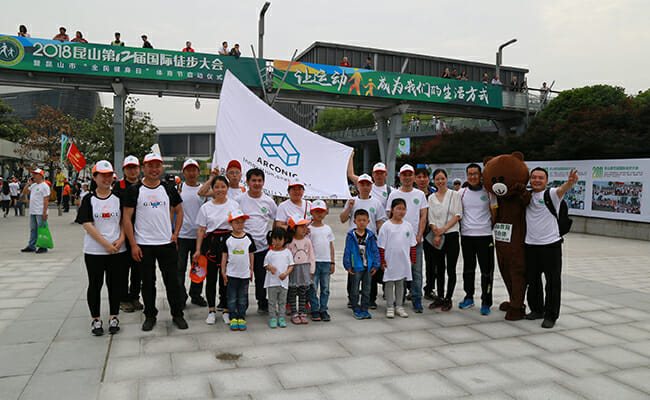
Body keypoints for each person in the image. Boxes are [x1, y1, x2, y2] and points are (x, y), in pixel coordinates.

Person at [121, 153, 188, 331]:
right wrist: (133, 244)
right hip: (144, 245)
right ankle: (150, 315)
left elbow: (180, 211)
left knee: (172, 282)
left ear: (161, 168)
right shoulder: (134, 190)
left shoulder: (169, 189)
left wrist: (176, 233)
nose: (154, 169)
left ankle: (177, 314)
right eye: (150, 166)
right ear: (144, 168)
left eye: (157, 166)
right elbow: (126, 219)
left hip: (166, 244)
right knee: (147, 283)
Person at [75, 161, 126, 336]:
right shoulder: (88, 199)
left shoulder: (119, 198)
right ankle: (96, 319)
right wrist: (106, 245)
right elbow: (87, 224)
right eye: (102, 175)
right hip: (95, 251)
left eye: (109, 175)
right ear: (95, 177)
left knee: (115, 284)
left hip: (117, 250)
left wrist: (120, 240)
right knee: (95, 284)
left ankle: (114, 316)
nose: (106, 178)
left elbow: (125, 222)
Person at [525, 168, 578, 329]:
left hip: (551, 245)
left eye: (541, 178)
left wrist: (570, 183)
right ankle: (536, 309)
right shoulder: (526, 196)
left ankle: (551, 315)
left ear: (546, 181)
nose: (537, 180)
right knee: (532, 281)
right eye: (534, 177)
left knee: (552, 282)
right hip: (530, 245)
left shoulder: (552, 195)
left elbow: (563, 190)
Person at [193, 175, 239, 324]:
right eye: (217, 187)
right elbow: (201, 230)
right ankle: (211, 310)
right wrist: (198, 250)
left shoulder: (234, 205)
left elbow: (238, 226)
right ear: (212, 189)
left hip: (228, 243)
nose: (220, 190)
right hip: (210, 244)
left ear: (227, 188)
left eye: (223, 187)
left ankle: (226, 309)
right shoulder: (206, 207)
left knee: (226, 277)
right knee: (211, 278)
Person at [340, 173, 387, 309]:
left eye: (368, 184)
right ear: (357, 186)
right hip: (355, 242)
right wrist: (348, 207)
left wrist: (381, 240)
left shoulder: (376, 203)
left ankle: (371, 299)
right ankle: (352, 297)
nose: (365, 187)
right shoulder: (352, 201)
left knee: (370, 270)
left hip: (370, 241)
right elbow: (342, 219)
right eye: (362, 184)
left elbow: (379, 222)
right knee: (354, 270)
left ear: (371, 186)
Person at [386, 164, 428, 312]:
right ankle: (399, 299)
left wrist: (419, 235)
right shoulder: (394, 194)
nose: (407, 177)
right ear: (400, 176)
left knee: (416, 271)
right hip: (397, 242)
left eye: (410, 174)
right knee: (399, 270)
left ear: (414, 176)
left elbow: (423, 216)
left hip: (415, 241)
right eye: (404, 174)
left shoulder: (420, 195)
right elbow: (389, 216)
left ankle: (417, 298)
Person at [236, 168, 277, 313]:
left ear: (263, 182)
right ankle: (242, 304)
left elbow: (276, 219)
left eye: (259, 180)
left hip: (262, 246)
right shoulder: (239, 200)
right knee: (242, 277)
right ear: (247, 182)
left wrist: (274, 238)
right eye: (253, 180)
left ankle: (262, 301)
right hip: (243, 247)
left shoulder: (268, 201)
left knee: (261, 277)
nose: (257, 183)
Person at [459, 163, 498, 315]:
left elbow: (494, 214)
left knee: (486, 272)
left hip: (485, 237)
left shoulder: (489, 193)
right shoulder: (461, 193)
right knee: (468, 270)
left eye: (475, 173)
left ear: (480, 175)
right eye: (470, 174)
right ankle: (469, 297)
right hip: (467, 237)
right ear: (466, 176)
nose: (473, 176)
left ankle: (486, 301)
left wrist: (487, 227)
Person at [427, 169, 462, 312]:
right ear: (433, 181)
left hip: (452, 235)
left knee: (451, 269)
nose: (440, 182)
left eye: (442, 178)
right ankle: (440, 297)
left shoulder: (454, 194)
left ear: (446, 179)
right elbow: (431, 219)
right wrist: (436, 232)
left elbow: (458, 215)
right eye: (437, 179)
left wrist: (444, 229)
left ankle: (449, 298)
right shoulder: (431, 198)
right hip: (437, 236)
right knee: (439, 268)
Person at [112, 155, 144, 313]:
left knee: (138, 268)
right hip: (123, 233)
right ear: (124, 170)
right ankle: (123, 299)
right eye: (129, 168)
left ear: (139, 169)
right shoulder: (119, 186)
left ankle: (134, 297)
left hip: (141, 233)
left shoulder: (143, 185)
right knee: (123, 269)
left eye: (135, 167)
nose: (132, 170)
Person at [176, 159, 208, 308]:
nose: (191, 173)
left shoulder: (204, 190)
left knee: (198, 267)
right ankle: (180, 296)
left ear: (198, 172)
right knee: (179, 267)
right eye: (188, 170)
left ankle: (196, 295)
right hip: (182, 235)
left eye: (194, 170)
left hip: (199, 236)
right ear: (183, 172)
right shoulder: (178, 188)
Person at [378, 198, 417, 318]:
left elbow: (412, 244)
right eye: (398, 208)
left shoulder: (408, 226)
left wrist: (412, 259)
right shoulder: (386, 226)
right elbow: (381, 246)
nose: (401, 211)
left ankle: (399, 305)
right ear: (392, 210)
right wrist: (382, 261)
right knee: (389, 284)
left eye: (403, 209)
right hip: (390, 260)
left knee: (400, 283)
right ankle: (390, 306)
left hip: (403, 261)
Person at [221, 210, 256, 331]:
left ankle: (241, 317)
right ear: (231, 223)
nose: (240, 225)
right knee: (231, 297)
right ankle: (233, 317)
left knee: (242, 297)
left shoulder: (248, 238)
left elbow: (251, 254)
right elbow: (224, 256)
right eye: (237, 223)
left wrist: (251, 270)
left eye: (242, 222)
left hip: (244, 274)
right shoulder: (227, 239)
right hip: (231, 274)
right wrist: (223, 271)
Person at [344, 209, 380, 319]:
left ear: (368, 221)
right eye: (359, 220)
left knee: (366, 289)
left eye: (364, 220)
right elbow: (347, 251)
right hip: (356, 267)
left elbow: (375, 251)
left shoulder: (371, 236)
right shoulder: (351, 236)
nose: (362, 222)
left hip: (368, 268)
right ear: (354, 221)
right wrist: (348, 265)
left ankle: (365, 308)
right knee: (354, 289)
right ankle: (356, 307)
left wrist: (376, 265)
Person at [307, 200, 335, 321]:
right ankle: (314, 308)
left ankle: (323, 308)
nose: (319, 214)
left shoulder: (328, 228)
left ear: (325, 213)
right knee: (312, 287)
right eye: (316, 211)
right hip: (313, 262)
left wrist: (332, 261)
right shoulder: (308, 229)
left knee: (325, 288)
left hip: (326, 261)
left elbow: (331, 245)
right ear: (311, 213)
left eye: (322, 212)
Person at [286, 214, 315, 324]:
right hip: (293, 269)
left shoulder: (307, 241)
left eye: (305, 226)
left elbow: (311, 255)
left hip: (305, 269)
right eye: (301, 226)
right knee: (292, 292)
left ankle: (302, 312)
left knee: (303, 292)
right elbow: (286, 257)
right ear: (294, 228)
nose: (304, 229)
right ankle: (294, 313)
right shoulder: (289, 242)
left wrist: (312, 270)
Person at [264, 227, 294, 328]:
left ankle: (281, 317)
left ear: (284, 240)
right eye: (275, 239)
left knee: (282, 301)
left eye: (280, 239)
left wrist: (286, 273)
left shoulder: (287, 252)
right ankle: (272, 318)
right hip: (272, 282)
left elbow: (291, 265)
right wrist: (270, 267)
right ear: (271, 239)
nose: (277, 242)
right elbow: (265, 265)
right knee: (272, 301)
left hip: (283, 282)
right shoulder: (270, 253)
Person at [414, 167, 436, 300]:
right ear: (415, 179)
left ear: (429, 178)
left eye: (425, 177)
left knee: (431, 263)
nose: (422, 180)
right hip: (415, 234)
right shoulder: (412, 193)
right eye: (419, 177)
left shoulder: (434, 194)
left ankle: (429, 289)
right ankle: (412, 289)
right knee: (413, 264)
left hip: (431, 234)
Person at [20, 169, 50, 253]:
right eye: (33, 174)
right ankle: (31, 245)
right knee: (33, 229)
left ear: (41, 175)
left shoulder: (44, 186)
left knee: (41, 229)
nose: (33, 176)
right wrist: (28, 184)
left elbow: (46, 200)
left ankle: (43, 246)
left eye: (35, 174)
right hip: (33, 211)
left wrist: (44, 212)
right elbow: (24, 192)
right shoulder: (33, 185)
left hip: (40, 211)